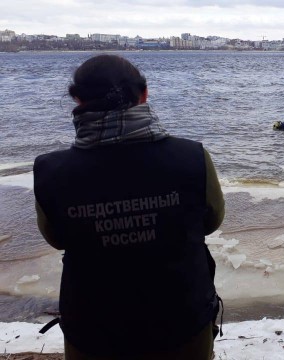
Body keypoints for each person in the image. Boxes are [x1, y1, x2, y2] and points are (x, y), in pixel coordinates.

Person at [33, 54, 225, 359]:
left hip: (93, 328)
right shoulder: (192, 157)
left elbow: (56, 237)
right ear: (144, 94)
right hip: (182, 321)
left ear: (77, 99)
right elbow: (212, 219)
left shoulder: (50, 171)